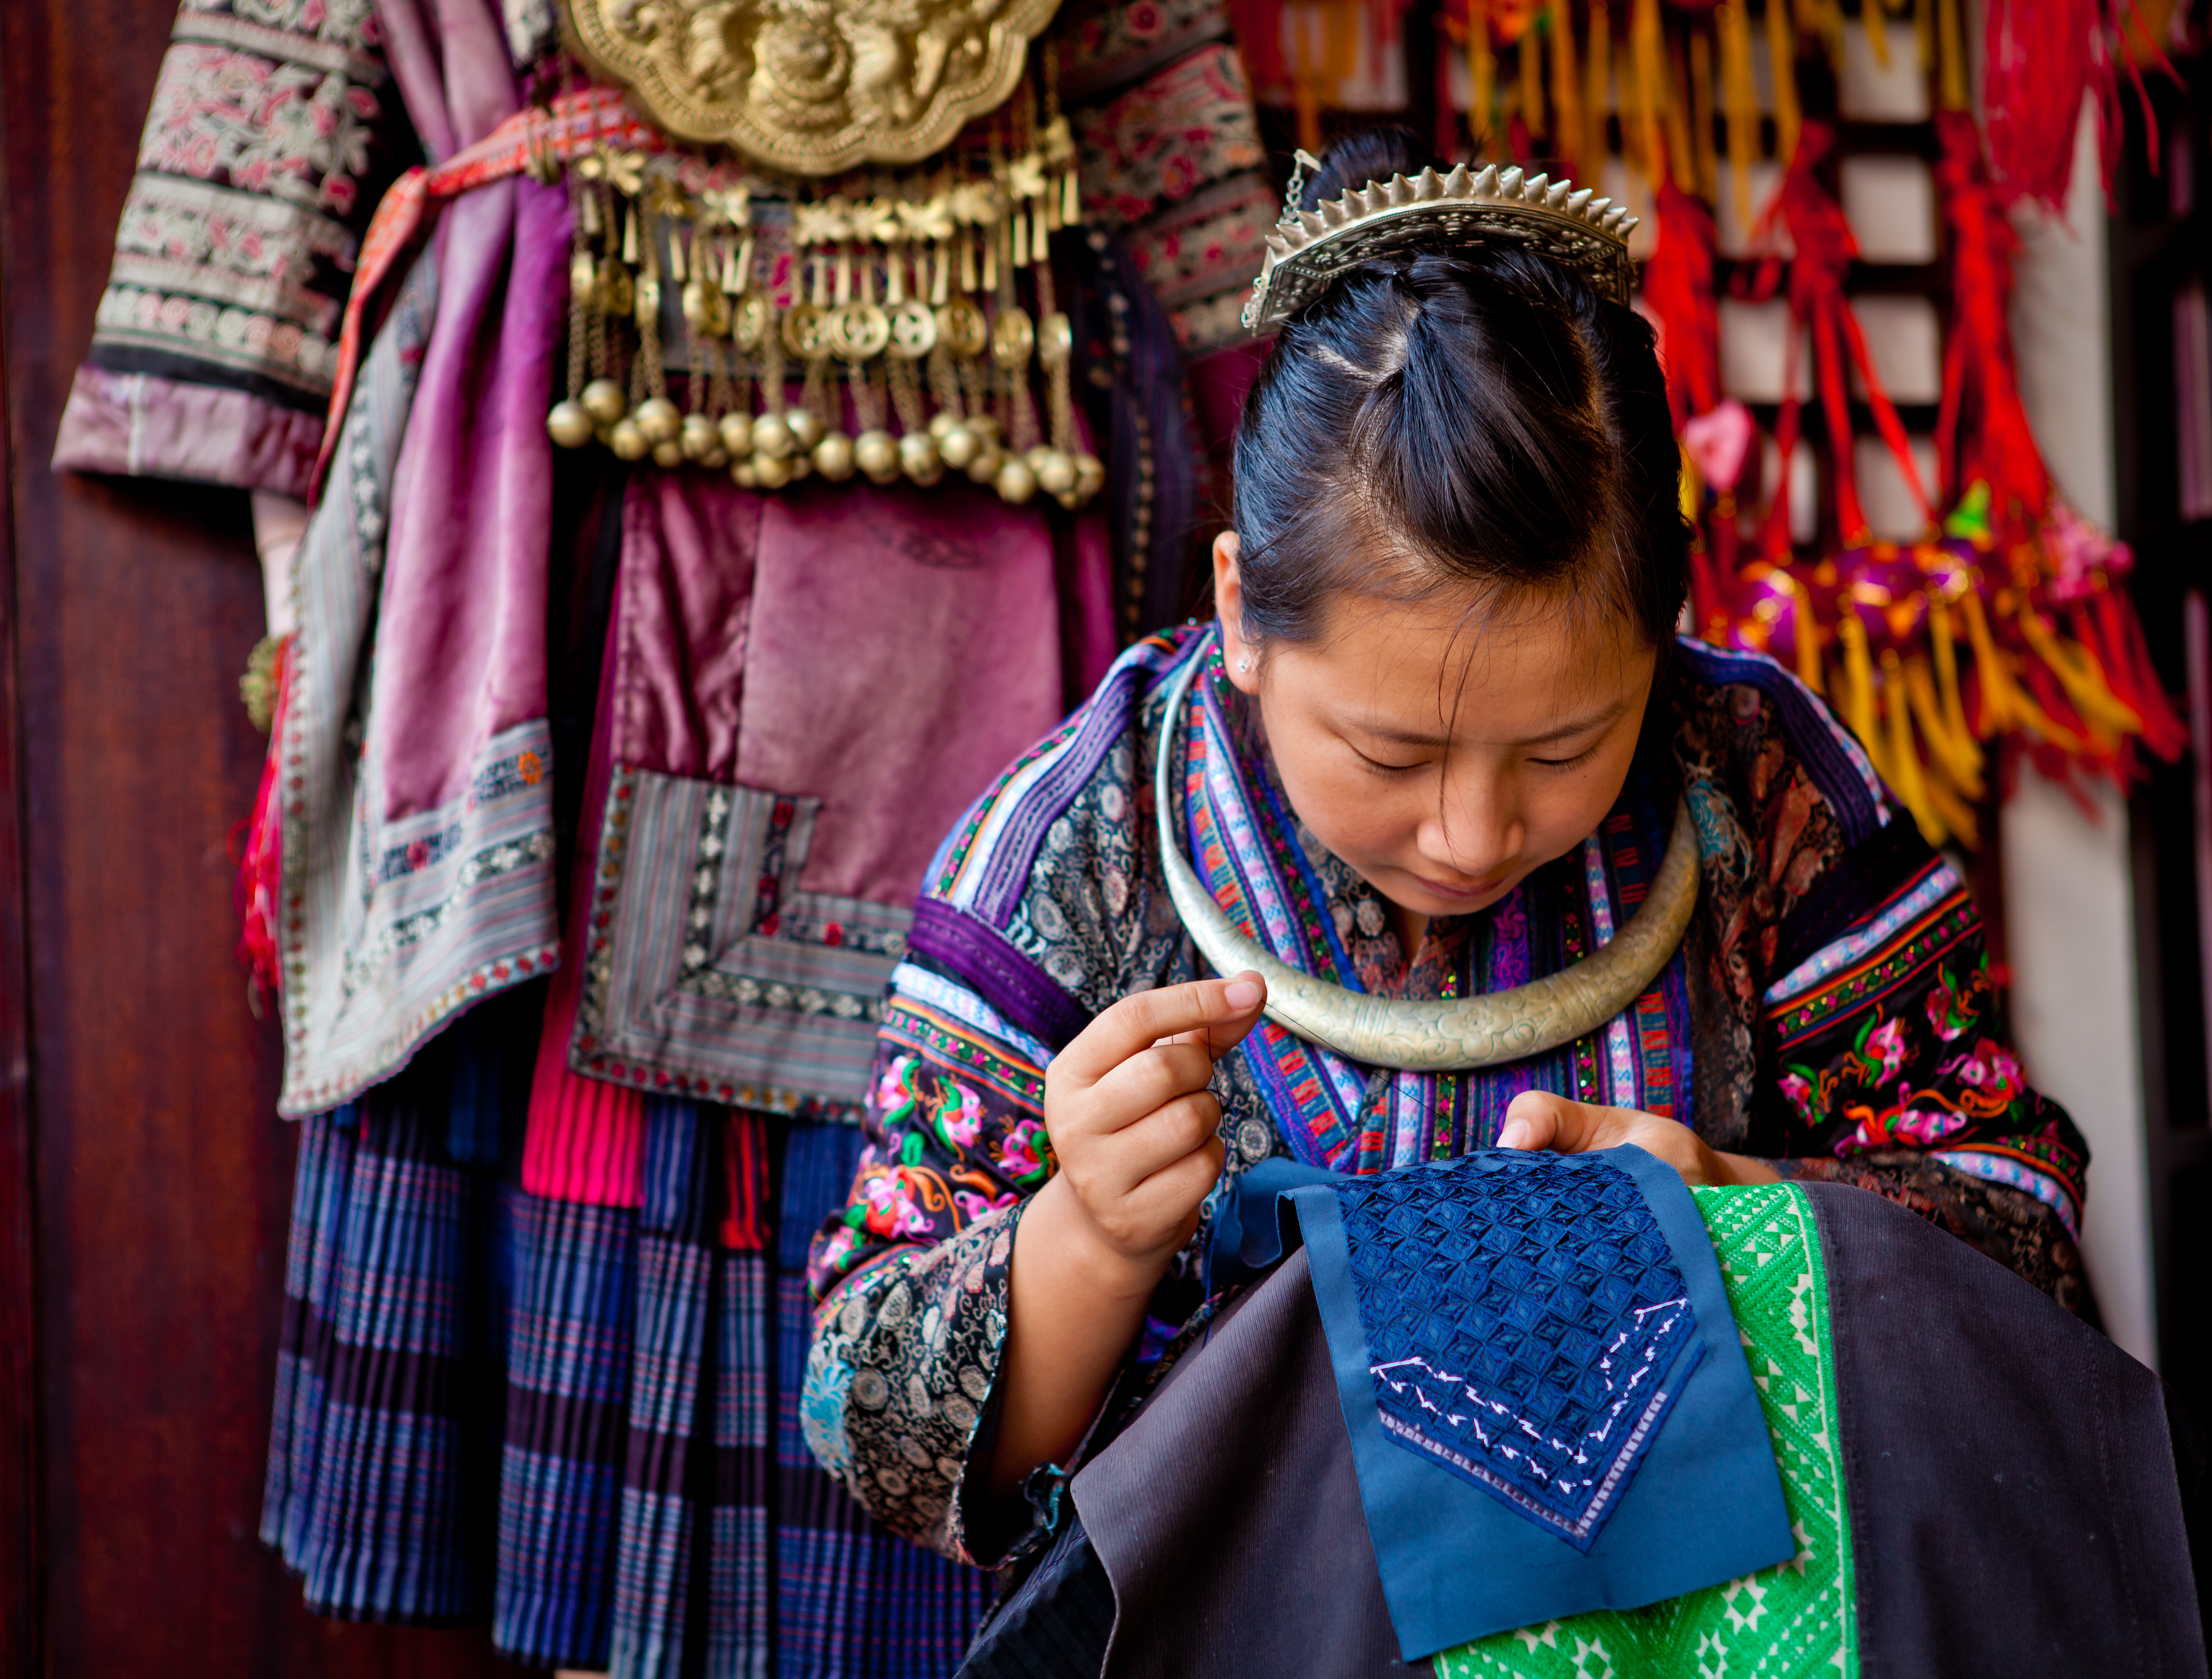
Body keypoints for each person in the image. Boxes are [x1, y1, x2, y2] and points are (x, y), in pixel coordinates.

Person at [798, 129, 2092, 1574]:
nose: (1472, 836)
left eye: (1562, 751)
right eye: (1392, 756)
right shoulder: (1078, 844)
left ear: (1662, 631)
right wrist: (1087, 1244)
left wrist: (1748, 1211)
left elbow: (2022, 1234)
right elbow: (869, 1423)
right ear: (1239, 612)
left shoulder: (1759, 781)